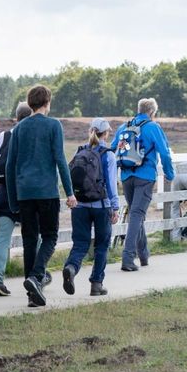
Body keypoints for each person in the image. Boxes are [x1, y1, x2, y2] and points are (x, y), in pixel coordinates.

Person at [5, 84, 77, 308]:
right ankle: (35, 277)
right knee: (50, 237)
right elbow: (60, 161)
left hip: (25, 192)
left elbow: (10, 165)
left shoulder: (20, 128)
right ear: (47, 102)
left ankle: (32, 296)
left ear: (30, 103)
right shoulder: (53, 125)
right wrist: (70, 192)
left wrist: (12, 199)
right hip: (46, 191)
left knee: (29, 240)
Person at [111, 98, 174, 272]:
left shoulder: (124, 127)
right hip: (145, 176)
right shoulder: (153, 127)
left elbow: (113, 149)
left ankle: (143, 255)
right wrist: (170, 174)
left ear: (138, 109)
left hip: (126, 176)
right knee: (137, 215)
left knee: (136, 214)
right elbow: (165, 153)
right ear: (152, 112)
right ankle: (128, 258)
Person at [63, 118, 119, 296]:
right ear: (106, 133)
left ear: (90, 131)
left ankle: (71, 268)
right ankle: (96, 284)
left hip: (79, 205)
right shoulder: (108, 154)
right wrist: (115, 207)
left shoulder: (80, 152)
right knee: (102, 245)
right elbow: (111, 185)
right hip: (101, 206)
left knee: (80, 243)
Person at [0, 102, 31, 297]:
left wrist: (1, 186)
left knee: (2, 238)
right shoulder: (31, 137)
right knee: (33, 236)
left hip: (4, 195)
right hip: (26, 194)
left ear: (16, 117)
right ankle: (36, 275)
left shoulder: (3, 136)